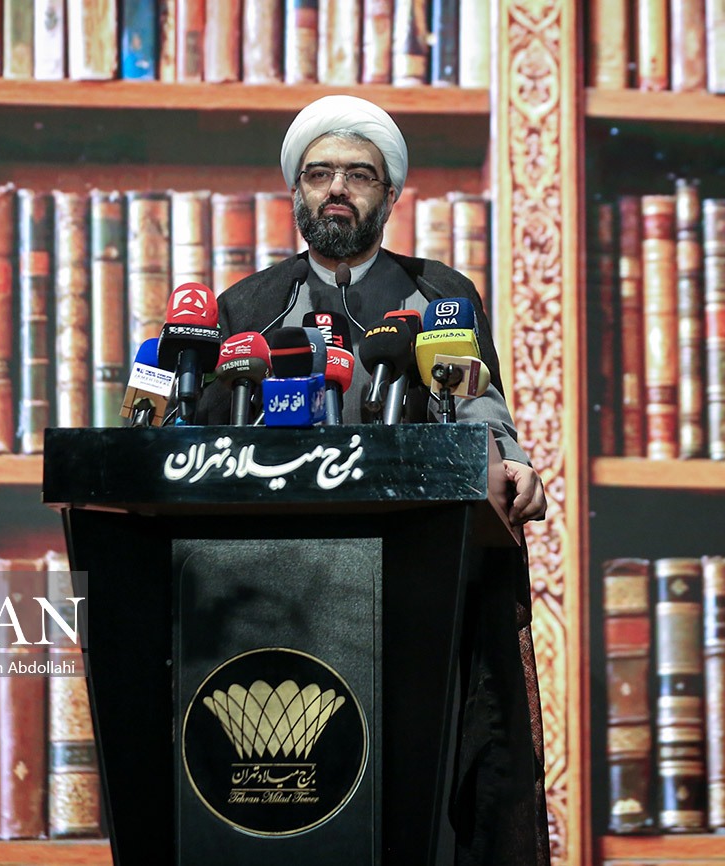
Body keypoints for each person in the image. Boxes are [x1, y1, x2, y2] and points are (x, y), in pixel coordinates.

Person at [211, 94, 551, 865]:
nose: (337, 188)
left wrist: (512, 463)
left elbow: (477, 405)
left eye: (358, 175)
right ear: (295, 190)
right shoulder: (248, 307)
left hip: (415, 579)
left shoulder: (439, 295)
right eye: (319, 173)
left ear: (390, 195)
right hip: (279, 591)